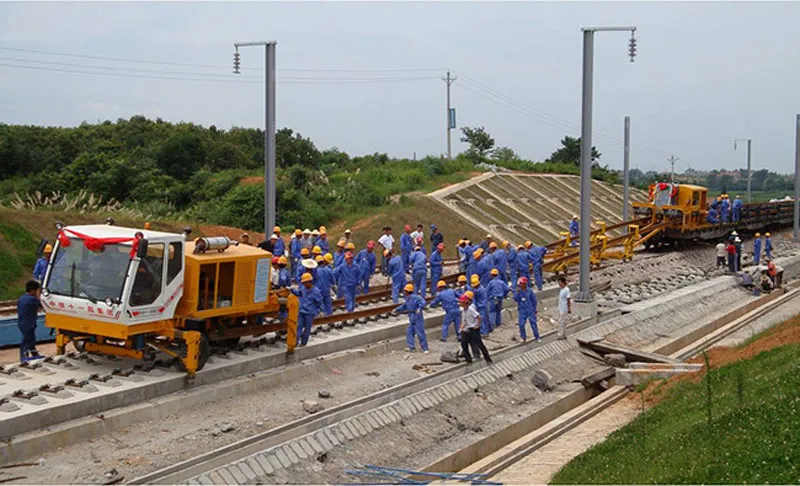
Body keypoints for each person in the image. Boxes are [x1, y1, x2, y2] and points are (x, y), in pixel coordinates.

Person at [458, 292, 492, 364]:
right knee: (464, 344)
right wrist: (462, 327)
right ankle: (468, 360)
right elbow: (464, 320)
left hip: (472, 330)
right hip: (466, 330)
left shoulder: (471, 309)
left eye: (461, 303)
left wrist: (477, 325)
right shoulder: (464, 311)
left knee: (480, 345)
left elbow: (478, 317)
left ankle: (488, 359)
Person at [395, 283, 429, 353]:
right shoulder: (408, 299)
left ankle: (425, 348)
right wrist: (396, 310)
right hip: (412, 318)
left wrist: (419, 308)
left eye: (405, 291)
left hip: (417, 318)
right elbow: (403, 306)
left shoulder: (415, 297)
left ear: (407, 291)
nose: (404, 292)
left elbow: (423, 302)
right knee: (409, 332)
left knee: (420, 333)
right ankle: (411, 347)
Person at [292, 273, 323, 347]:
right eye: (304, 283)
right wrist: (291, 290)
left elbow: (319, 302)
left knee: (307, 329)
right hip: (301, 311)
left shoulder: (316, 291)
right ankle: (295, 342)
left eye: (306, 282)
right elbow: (298, 293)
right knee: (298, 327)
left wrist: (319, 311)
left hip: (310, 313)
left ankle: (303, 342)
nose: (305, 284)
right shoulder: (303, 289)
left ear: (310, 281)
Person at [17, 280, 42, 362]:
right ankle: (23, 359)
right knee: (26, 341)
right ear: (33, 291)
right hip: (29, 324)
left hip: (22, 323)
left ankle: (35, 355)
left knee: (30, 340)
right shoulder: (32, 299)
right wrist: (38, 296)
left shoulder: (22, 298)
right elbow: (41, 305)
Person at [514, 277, 539, 343]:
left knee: (533, 324)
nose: (520, 285)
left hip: (530, 309)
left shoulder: (529, 291)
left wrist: (535, 308)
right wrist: (517, 292)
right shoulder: (519, 291)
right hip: (522, 310)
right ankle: (523, 337)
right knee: (521, 324)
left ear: (525, 284)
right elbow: (515, 299)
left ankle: (537, 337)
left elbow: (534, 300)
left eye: (521, 283)